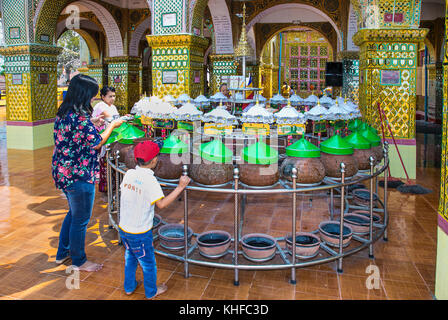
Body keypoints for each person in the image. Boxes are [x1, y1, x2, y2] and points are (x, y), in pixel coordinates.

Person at [52, 74, 125, 272]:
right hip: (78, 174)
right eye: (92, 96)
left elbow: (77, 132)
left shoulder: (64, 113)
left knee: (73, 213)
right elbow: (96, 142)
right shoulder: (79, 118)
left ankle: (62, 253)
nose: (93, 99)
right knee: (81, 219)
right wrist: (111, 125)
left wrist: (92, 121)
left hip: (63, 171)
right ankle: (79, 260)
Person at [118, 141, 191, 299]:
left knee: (130, 257)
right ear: (154, 160)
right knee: (148, 263)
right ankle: (151, 291)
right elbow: (161, 204)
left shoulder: (130, 174)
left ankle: (129, 287)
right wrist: (180, 187)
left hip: (124, 228)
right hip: (139, 232)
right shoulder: (150, 181)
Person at [92, 86, 120, 193]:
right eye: (110, 96)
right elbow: (111, 119)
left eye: (114, 96)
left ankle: (112, 186)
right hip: (101, 138)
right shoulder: (100, 106)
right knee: (104, 163)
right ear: (103, 97)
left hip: (110, 137)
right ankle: (105, 189)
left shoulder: (112, 106)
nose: (112, 98)